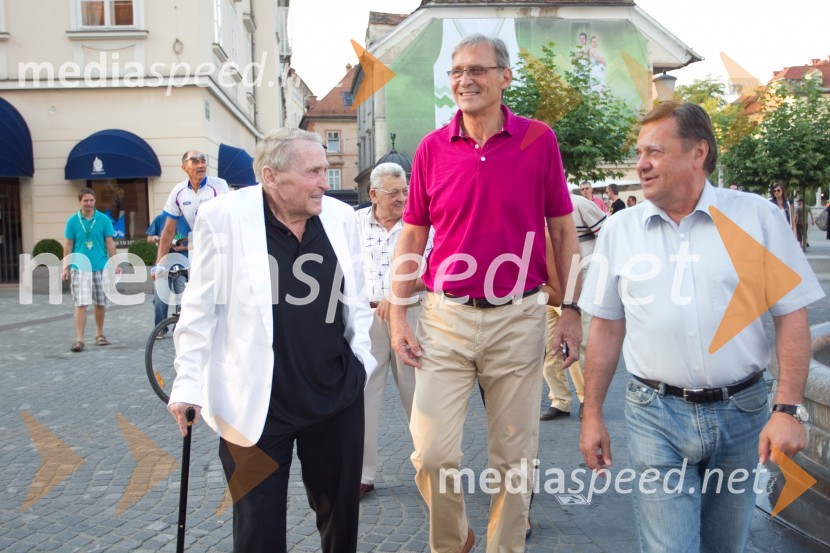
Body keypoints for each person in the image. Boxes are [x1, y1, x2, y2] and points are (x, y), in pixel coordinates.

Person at [579, 102, 823, 552]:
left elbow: (792, 314)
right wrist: (591, 413)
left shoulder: (757, 218)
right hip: (654, 412)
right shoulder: (620, 230)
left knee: (724, 546)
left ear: (698, 153)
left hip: (744, 411)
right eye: (639, 152)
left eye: (655, 151)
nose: (641, 164)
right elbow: (606, 328)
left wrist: (787, 410)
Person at [389, 34, 582, 552]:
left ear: (504, 77)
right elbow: (413, 235)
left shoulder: (537, 140)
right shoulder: (432, 147)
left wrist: (571, 310)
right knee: (431, 454)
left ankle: (505, 547)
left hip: (518, 316)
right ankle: (455, 541)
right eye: (456, 72)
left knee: (514, 458)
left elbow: (562, 232)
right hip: (445, 317)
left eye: (477, 70)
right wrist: (399, 315)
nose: (465, 80)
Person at [167, 128, 376, 552]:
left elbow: (355, 298)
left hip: (334, 395)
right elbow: (199, 307)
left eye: (326, 169)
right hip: (256, 403)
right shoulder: (222, 217)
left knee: (340, 521)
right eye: (314, 172)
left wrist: (361, 364)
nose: (325, 181)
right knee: (257, 531)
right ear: (271, 176)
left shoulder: (338, 217)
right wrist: (187, 385)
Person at [355, 162, 433, 500]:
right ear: (373, 194)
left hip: (413, 316)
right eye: (394, 193)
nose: (402, 198)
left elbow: (434, 272)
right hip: (366, 318)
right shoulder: (354, 224)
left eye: (405, 191)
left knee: (419, 396)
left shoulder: (420, 225)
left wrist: (396, 294)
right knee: (361, 398)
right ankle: (361, 474)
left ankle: (430, 468)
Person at [541, 193, 605, 421]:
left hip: (581, 284)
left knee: (580, 343)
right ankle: (560, 400)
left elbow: (607, 236)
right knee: (548, 348)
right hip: (548, 286)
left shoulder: (578, 204)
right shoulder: (530, 206)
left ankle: (587, 399)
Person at [151, 150, 229, 278]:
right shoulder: (178, 191)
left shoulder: (219, 185)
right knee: (196, 294)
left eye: (203, 161)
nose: (201, 165)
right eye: (195, 161)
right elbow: (169, 231)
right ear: (184, 167)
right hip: (197, 250)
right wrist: (159, 264)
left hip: (220, 249)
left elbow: (224, 222)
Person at [61, 187, 120, 352]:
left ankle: (100, 334)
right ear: (80, 202)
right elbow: (68, 244)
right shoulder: (73, 221)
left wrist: (115, 263)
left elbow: (110, 242)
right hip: (79, 267)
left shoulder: (103, 219)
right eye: (85, 200)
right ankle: (79, 339)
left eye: (91, 200)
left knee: (100, 302)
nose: (88, 203)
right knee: (81, 303)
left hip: (100, 265)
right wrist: (65, 266)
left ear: (95, 201)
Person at [146, 212, 190, 330]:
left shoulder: (188, 218)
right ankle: (160, 328)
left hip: (182, 265)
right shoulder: (161, 218)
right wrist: (155, 238)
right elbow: (149, 237)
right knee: (159, 300)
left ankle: (180, 328)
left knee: (182, 299)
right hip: (163, 265)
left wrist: (184, 247)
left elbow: (198, 241)